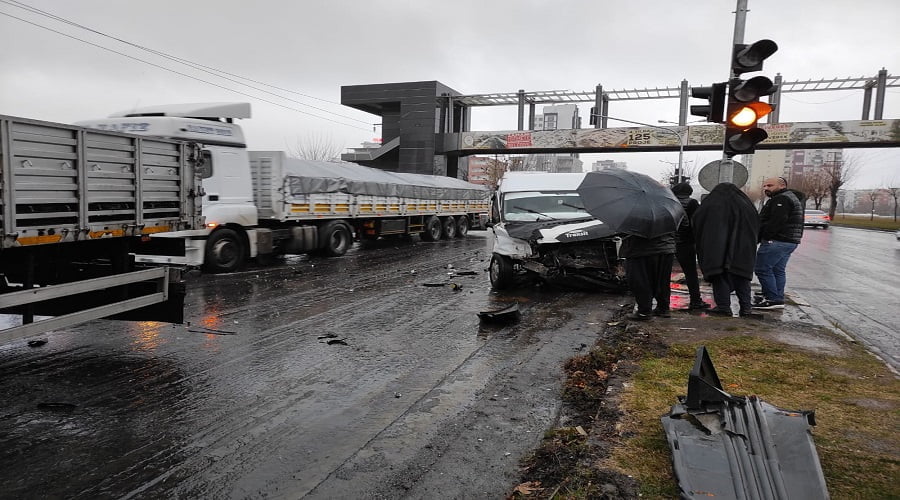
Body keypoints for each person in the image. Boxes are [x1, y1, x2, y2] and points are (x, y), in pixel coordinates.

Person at [693, 183, 760, 317]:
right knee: (742, 277)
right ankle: (746, 309)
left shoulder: (711, 205)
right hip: (744, 248)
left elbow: (697, 222)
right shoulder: (746, 205)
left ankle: (723, 307)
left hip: (716, 247)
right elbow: (758, 225)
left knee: (720, 275)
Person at [754, 177, 804, 310]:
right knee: (777, 270)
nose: (766, 188)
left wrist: (765, 236)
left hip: (778, 240)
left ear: (782, 186)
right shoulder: (788, 197)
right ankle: (776, 296)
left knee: (762, 269)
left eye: (770, 185)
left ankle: (772, 298)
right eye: (764, 186)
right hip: (789, 241)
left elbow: (777, 221)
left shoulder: (781, 199)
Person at [619, 231, 677, 320]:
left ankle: (644, 311)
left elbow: (624, 230)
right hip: (666, 247)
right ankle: (663, 308)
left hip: (640, 250)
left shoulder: (635, 218)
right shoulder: (667, 217)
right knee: (663, 281)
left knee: (640, 280)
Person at [670, 182, 709, 310]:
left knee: (663, 274)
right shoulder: (692, 203)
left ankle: (662, 303)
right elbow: (696, 223)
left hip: (669, 243)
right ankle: (695, 301)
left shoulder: (669, 202)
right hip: (686, 243)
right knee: (691, 273)